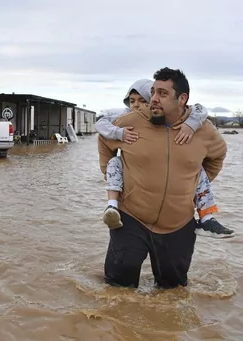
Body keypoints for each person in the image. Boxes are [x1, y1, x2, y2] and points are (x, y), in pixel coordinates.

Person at [98, 67, 228, 288]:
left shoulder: (203, 130)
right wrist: (113, 177)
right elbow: (104, 139)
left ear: (182, 98)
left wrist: (191, 183)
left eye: (162, 93)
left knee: (173, 292)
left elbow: (218, 154)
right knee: (117, 292)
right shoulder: (133, 121)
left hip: (178, 225)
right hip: (131, 219)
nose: (154, 99)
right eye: (153, 92)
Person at [95, 79, 234, 239]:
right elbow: (102, 128)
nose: (136, 105)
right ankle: (112, 206)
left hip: (178, 221)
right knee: (114, 163)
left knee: (197, 170)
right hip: (133, 214)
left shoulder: (188, 122)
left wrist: (189, 183)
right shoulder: (126, 119)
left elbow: (200, 111)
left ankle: (206, 218)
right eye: (132, 101)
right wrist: (118, 134)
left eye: (142, 101)